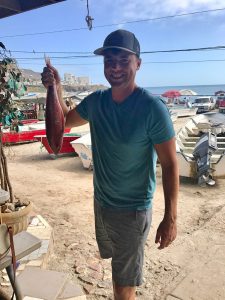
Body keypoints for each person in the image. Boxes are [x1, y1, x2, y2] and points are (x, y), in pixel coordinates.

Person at [42, 29, 179, 300]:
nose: (115, 67)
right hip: (102, 203)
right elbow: (62, 123)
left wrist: (170, 218)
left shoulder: (152, 109)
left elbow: (171, 165)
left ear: (137, 64)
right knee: (118, 269)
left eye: (123, 60)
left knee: (123, 285)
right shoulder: (96, 102)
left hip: (132, 211)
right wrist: (55, 87)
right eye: (109, 61)